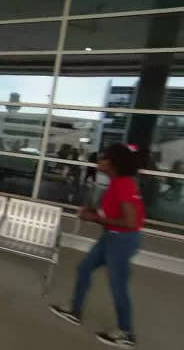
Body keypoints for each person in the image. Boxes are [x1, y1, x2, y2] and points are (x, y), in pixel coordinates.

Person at [49, 144, 144, 349]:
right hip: (111, 237)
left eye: (102, 158)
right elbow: (111, 212)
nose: (98, 161)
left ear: (112, 162)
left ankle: (126, 333)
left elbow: (130, 221)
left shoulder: (123, 184)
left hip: (122, 241)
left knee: (118, 287)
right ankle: (75, 310)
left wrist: (93, 218)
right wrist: (93, 211)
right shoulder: (117, 183)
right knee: (84, 268)